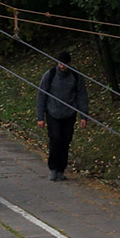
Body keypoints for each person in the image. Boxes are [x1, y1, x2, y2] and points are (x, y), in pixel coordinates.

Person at [36, 51, 88, 181]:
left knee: (66, 141)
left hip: (69, 114)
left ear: (69, 64)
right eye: (60, 63)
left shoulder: (76, 76)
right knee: (55, 139)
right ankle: (53, 168)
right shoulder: (50, 75)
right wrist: (40, 117)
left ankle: (61, 169)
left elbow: (82, 96)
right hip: (53, 113)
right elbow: (42, 95)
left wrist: (83, 115)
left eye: (64, 64)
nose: (62, 66)